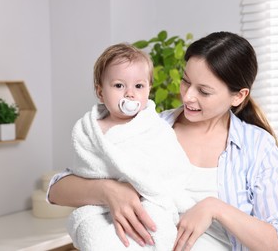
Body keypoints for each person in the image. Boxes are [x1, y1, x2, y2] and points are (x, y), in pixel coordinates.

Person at [48, 31, 278, 251]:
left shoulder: (256, 146)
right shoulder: (150, 127)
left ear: (238, 96)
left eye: (204, 91)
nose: (188, 96)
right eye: (186, 81)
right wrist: (109, 191)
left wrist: (214, 208)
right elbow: (57, 189)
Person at [65, 43, 195, 251]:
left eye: (139, 86)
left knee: (157, 226)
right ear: (100, 92)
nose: (130, 94)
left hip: (147, 200)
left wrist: (144, 185)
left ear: (148, 89)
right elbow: (83, 167)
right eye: (118, 86)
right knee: (91, 233)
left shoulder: (154, 127)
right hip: (100, 207)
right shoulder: (90, 129)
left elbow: (174, 166)